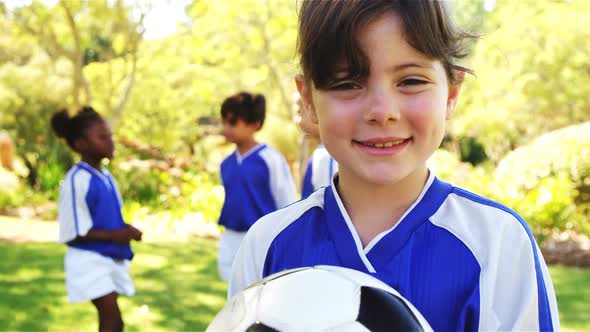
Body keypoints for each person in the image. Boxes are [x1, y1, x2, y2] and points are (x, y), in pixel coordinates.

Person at [228, 1, 559, 331]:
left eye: (411, 81)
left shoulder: (499, 242)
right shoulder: (267, 243)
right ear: (309, 101)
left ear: (451, 95)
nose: (382, 110)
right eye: (347, 83)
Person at [52, 106, 142, 332]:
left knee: (114, 321)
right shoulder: (77, 179)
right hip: (88, 260)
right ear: (81, 143)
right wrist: (118, 235)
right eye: (102, 137)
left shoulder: (107, 177)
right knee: (111, 318)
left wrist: (127, 230)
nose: (110, 141)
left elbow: (109, 218)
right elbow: (77, 230)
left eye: (110, 135)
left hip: (108, 258)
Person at [217, 91, 297, 282]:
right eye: (224, 121)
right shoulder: (226, 164)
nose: (226, 128)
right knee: (234, 295)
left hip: (262, 240)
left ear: (255, 124)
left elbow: (287, 201)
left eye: (233, 122)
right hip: (231, 237)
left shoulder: (270, 159)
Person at [294, 92, 338, 198]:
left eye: (299, 112)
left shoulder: (326, 156)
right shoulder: (320, 153)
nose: (297, 120)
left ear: (313, 111)